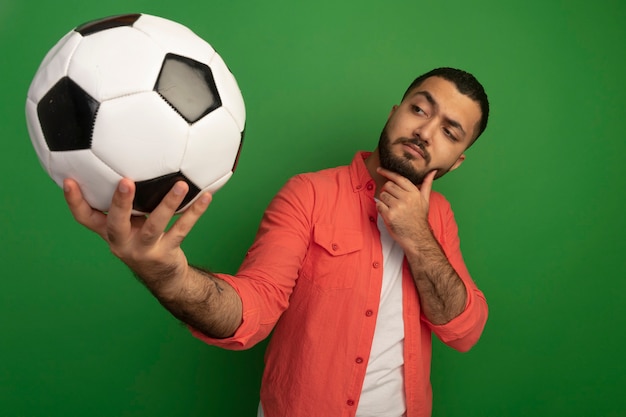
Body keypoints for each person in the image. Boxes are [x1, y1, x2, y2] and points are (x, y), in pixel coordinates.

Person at [64, 67, 490, 417]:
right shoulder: (309, 194)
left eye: (450, 133)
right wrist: (167, 274)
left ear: (459, 158)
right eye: (419, 109)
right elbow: (252, 311)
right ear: (395, 111)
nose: (425, 132)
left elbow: (464, 329)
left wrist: (418, 234)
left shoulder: (439, 218)